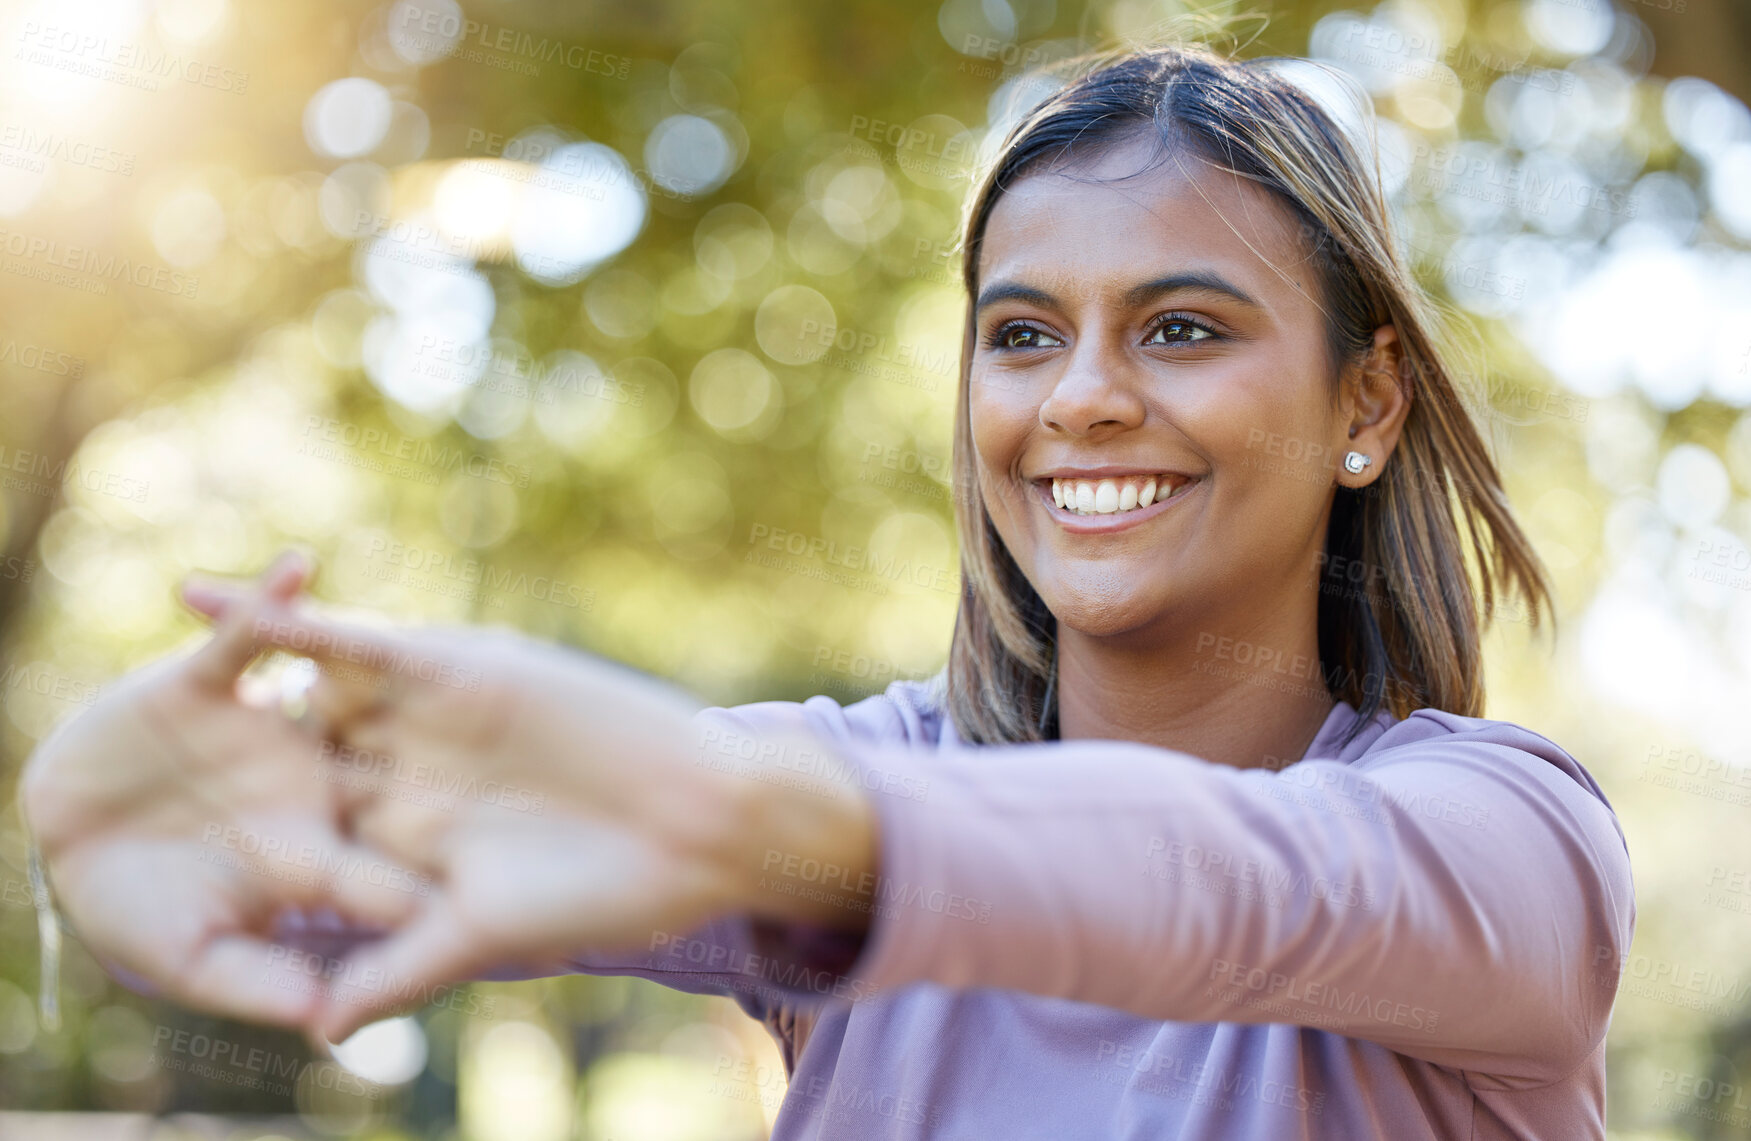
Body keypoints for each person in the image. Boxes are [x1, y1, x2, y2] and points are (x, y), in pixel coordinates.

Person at [19, 41, 1634, 1139]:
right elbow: (344, 858)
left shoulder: (1509, 843)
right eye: (1021, 334)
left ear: (1369, 404)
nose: (1076, 397)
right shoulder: (839, 787)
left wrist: (763, 827)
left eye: (1183, 327)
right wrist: (142, 806)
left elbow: (1245, 887)